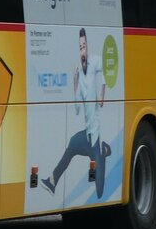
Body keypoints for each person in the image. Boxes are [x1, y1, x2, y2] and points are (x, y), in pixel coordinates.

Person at [41, 27, 111, 199]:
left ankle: (102, 151)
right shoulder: (79, 71)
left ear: (87, 46)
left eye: (84, 46)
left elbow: (105, 72)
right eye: (80, 48)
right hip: (85, 135)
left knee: (100, 191)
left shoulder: (95, 61)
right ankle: (53, 180)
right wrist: (74, 82)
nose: (82, 51)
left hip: (94, 137)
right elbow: (78, 108)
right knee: (72, 145)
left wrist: (102, 95)